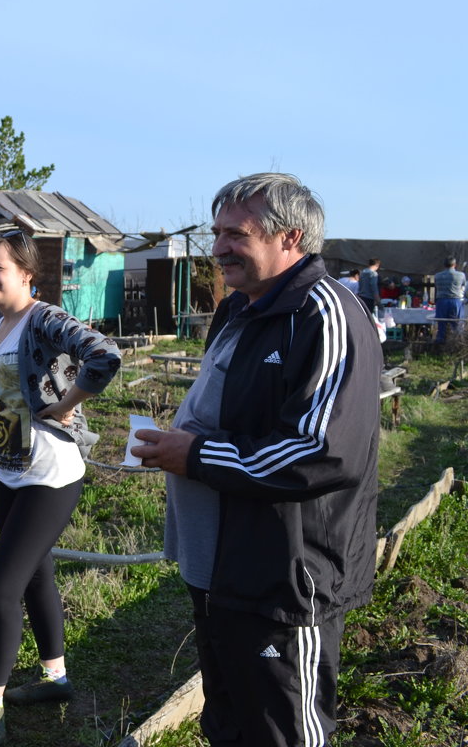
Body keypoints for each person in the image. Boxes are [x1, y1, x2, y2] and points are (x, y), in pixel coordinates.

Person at [132, 173, 381, 747]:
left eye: (235, 234)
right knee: (229, 720)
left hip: (285, 577)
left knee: (284, 728)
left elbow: (321, 451)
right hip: (223, 567)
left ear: (291, 237)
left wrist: (196, 454)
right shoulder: (241, 308)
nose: (218, 248)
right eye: (217, 233)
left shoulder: (323, 315)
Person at [0, 230, 121, 746]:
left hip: (50, 473)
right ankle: (55, 678)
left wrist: (65, 407)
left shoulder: (42, 319)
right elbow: (12, 393)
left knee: (0, 585)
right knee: (35, 575)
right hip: (6, 467)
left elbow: (104, 356)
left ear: (26, 274)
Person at [433, 256, 466, 342]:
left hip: (441, 300)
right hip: (455, 300)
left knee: (441, 324)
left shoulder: (437, 276)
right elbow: (463, 286)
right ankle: (457, 342)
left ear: (444, 265)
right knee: (457, 323)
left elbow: (436, 286)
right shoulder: (461, 275)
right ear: (455, 265)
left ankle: (440, 342)